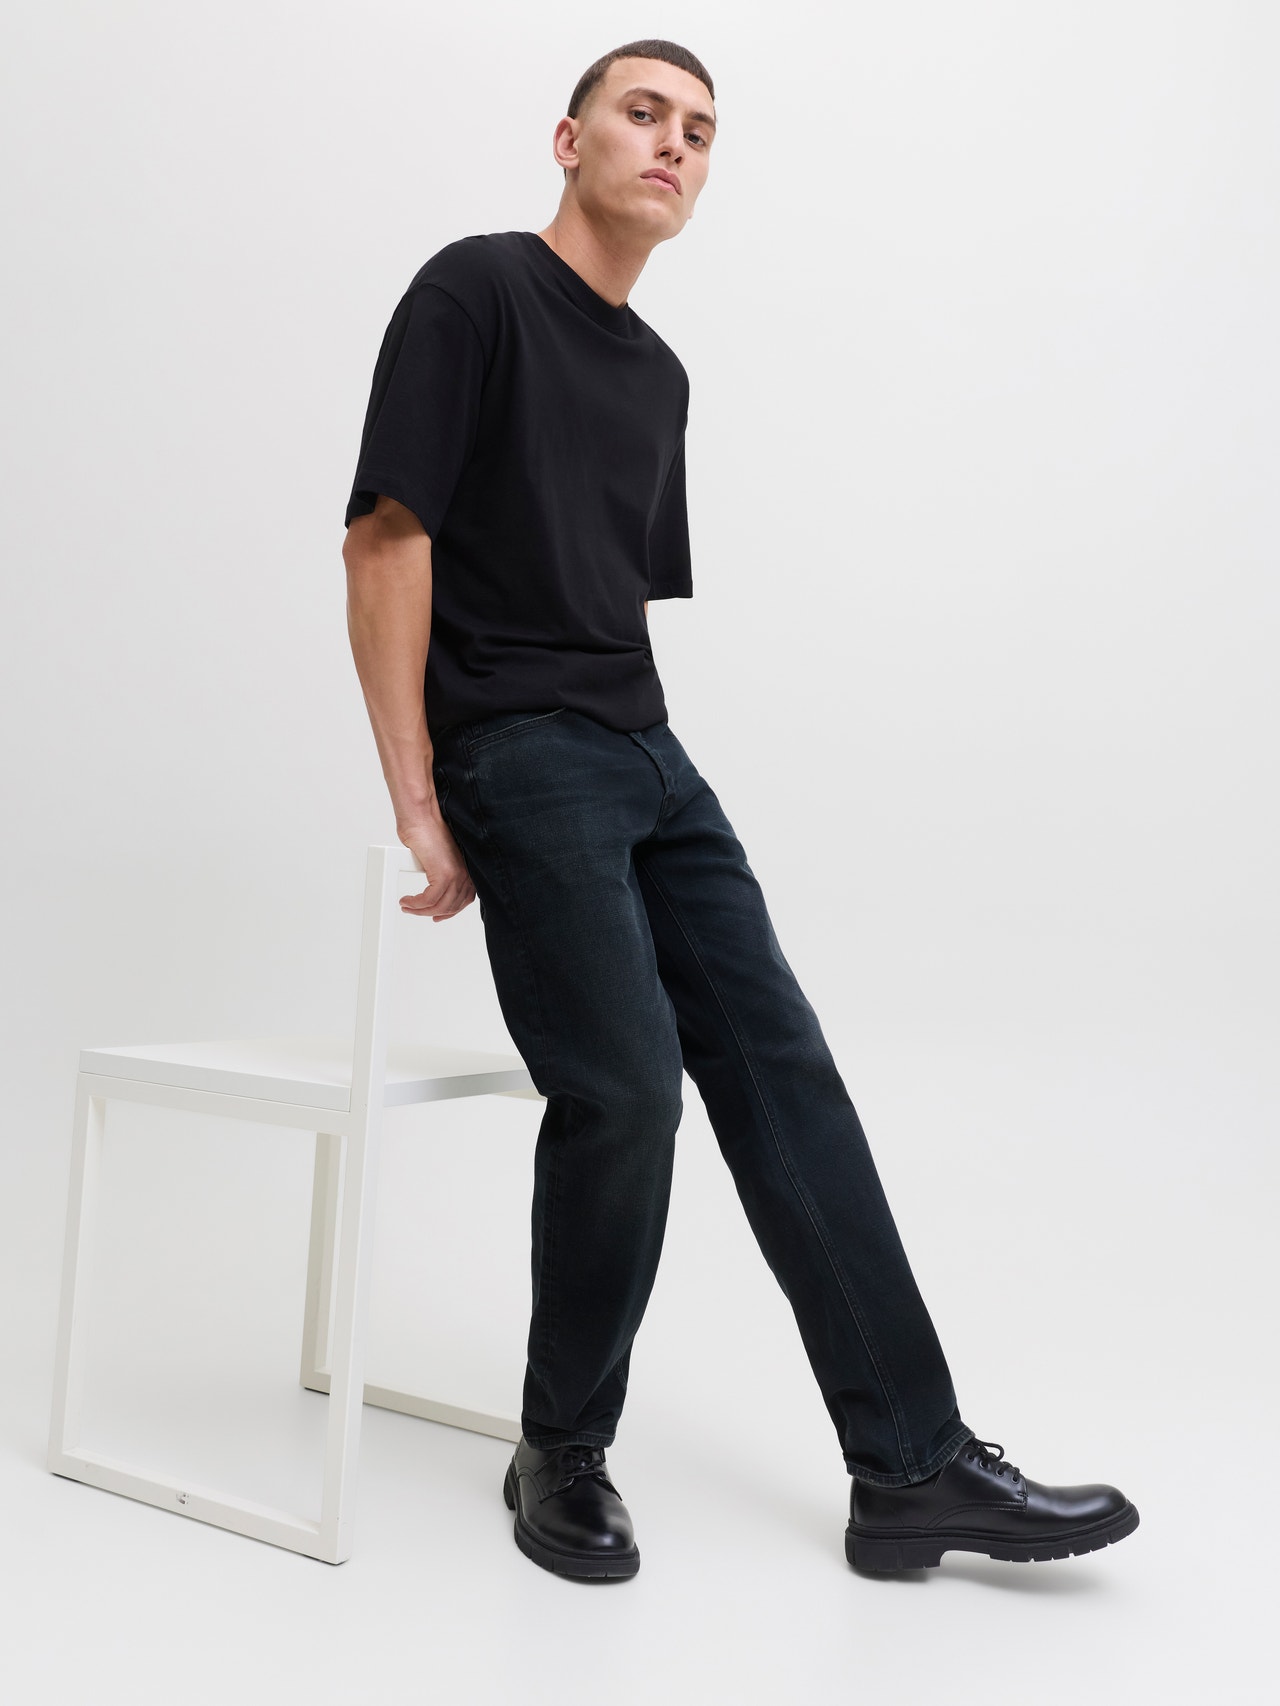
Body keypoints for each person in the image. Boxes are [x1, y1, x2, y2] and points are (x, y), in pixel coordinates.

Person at [341, 38, 1139, 1582]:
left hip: (649, 753)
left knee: (783, 1067)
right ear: (569, 138)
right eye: (644, 114)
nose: (674, 145)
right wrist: (421, 795)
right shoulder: (475, 290)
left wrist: (649, 766)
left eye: (701, 131)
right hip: (520, 752)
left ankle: (911, 1467)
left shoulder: (659, 375)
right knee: (628, 1085)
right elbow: (386, 540)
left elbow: (613, 598)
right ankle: (561, 1445)